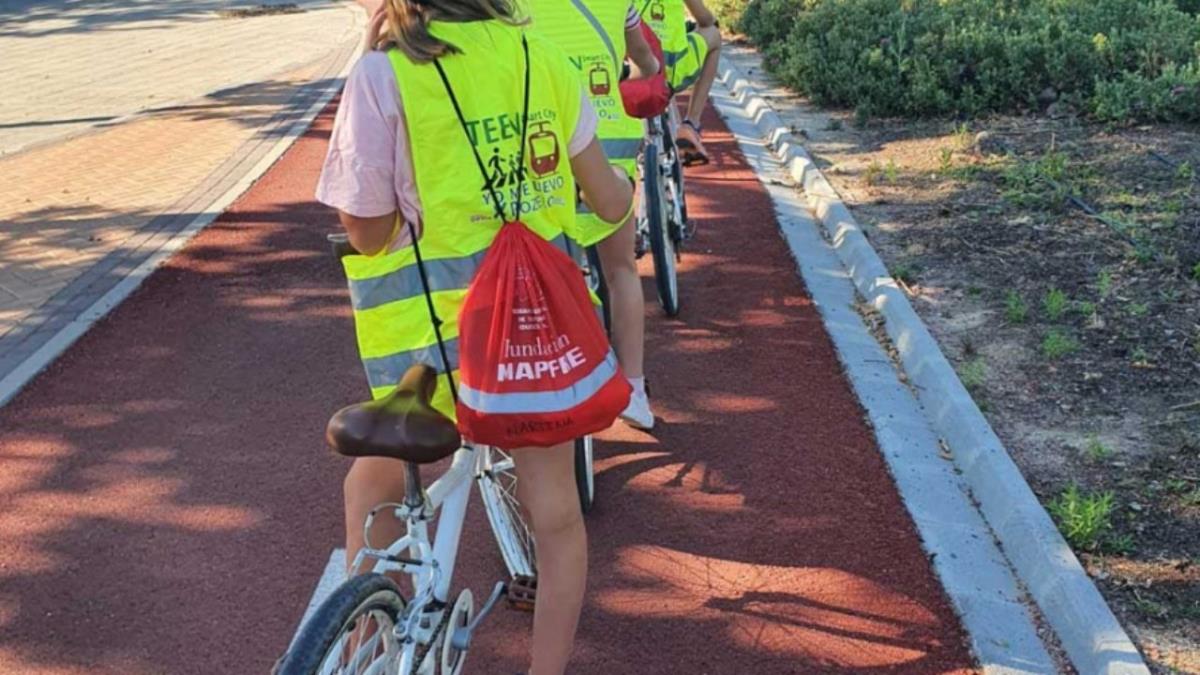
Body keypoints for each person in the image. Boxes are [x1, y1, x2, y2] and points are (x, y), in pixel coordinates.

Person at [315, 1, 635, 673]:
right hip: (529, 344)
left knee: (367, 489)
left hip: (427, 349)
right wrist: (626, 189)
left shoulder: (385, 72)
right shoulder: (541, 56)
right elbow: (607, 203)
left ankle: (363, 639)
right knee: (555, 512)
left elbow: (365, 230)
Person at [524, 0, 663, 432]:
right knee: (621, 269)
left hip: (546, 140)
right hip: (611, 146)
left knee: (554, 273)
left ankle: (558, 382)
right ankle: (634, 390)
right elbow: (645, 62)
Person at [637, 0, 722, 164]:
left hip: (634, 69)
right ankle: (691, 123)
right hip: (673, 68)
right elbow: (704, 19)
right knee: (713, 35)